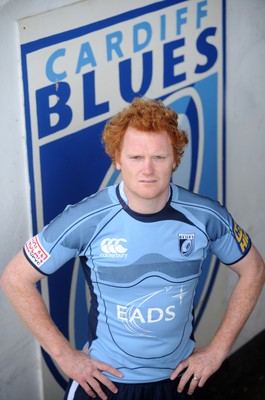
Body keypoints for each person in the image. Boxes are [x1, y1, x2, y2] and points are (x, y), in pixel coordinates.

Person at [0, 97, 264, 400]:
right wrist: (64, 356)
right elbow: (15, 278)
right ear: (117, 159)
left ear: (175, 159)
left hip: (179, 380)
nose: (148, 169)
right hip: (106, 382)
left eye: (160, 157)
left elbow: (254, 270)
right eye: (136, 157)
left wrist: (217, 351)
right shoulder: (86, 219)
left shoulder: (205, 215)